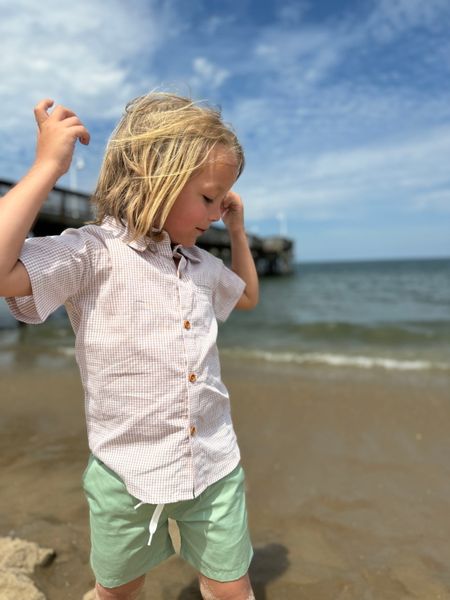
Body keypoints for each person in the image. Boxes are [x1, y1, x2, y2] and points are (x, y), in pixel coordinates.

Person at [0, 93, 259, 600]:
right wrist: (47, 167)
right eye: (208, 198)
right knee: (118, 590)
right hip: (125, 470)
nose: (214, 212)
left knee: (232, 588)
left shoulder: (201, 265)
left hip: (213, 461)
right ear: (154, 177)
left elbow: (247, 296)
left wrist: (238, 230)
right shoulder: (92, 253)